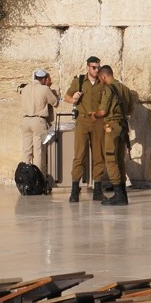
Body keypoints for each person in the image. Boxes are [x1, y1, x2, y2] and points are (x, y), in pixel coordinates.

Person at [65, 56, 109, 203]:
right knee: (79, 155)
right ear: (88, 68)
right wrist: (74, 99)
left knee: (99, 155)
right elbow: (66, 96)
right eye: (94, 67)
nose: (96, 70)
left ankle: (97, 190)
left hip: (98, 121)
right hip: (83, 121)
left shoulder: (102, 82)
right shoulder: (79, 81)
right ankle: (74, 190)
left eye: (98, 67)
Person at [97, 65, 136, 206]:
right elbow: (130, 110)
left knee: (111, 160)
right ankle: (123, 194)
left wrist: (94, 115)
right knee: (120, 160)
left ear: (103, 76)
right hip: (122, 127)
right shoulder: (125, 89)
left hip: (112, 127)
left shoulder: (108, 89)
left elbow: (103, 111)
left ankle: (119, 195)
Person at [20, 69, 57, 181]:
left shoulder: (25, 89)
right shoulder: (44, 89)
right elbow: (55, 102)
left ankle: (25, 178)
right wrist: (49, 88)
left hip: (25, 121)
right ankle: (38, 178)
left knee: (26, 151)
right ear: (44, 79)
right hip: (38, 121)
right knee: (38, 151)